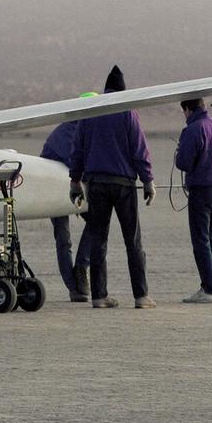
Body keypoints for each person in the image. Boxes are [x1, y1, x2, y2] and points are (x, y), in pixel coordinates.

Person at [68, 66, 156, 309]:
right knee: (133, 241)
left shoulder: (90, 114)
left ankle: (99, 296)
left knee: (98, 239)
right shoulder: (128, 112)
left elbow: (78, 150)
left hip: (96, 185)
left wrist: (75, 182)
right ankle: (141, 296)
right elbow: (139, 149)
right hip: (124, 185)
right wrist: (147, 180)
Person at [175, 97, 212, 304]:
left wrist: (180, 151)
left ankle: (208, 288)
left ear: (188, 109)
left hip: (202, 190)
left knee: (201, 240)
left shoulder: (193, 130)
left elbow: (184, 162)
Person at [41, 118, 92, 302]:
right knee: (64, 239)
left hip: (72, 188)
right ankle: (75, 284)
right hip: (55, 191)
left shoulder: (83, 131)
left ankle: (79, 271)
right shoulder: (69, 132)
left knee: (67, 238)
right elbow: (76, 163)